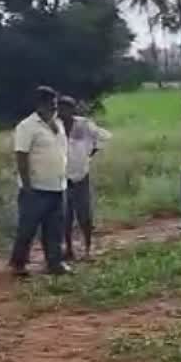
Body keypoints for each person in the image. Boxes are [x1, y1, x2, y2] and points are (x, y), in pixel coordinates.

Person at [10, 86, 72, 276]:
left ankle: (54, 263)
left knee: (54, 229)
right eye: (50, 105)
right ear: (39, 105)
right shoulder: (27, 126)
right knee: (27, 228)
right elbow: (21, 156)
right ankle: (18, 264)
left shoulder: (58, 124)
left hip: (57, 185)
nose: (54, 108)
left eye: (55, 105)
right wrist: (27, 184)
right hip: (36, 188)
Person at [59, 96, 112, 261]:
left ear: (73, 110)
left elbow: (103, 137)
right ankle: (68, 249)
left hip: (80, 175)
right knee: (64, 216)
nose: (62, 112)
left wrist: (89, 155)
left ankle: (88, 249)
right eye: (60, 108)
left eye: (66, 108)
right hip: (61, 176)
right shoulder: (55, 126)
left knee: (84, 215)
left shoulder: (83, 124)